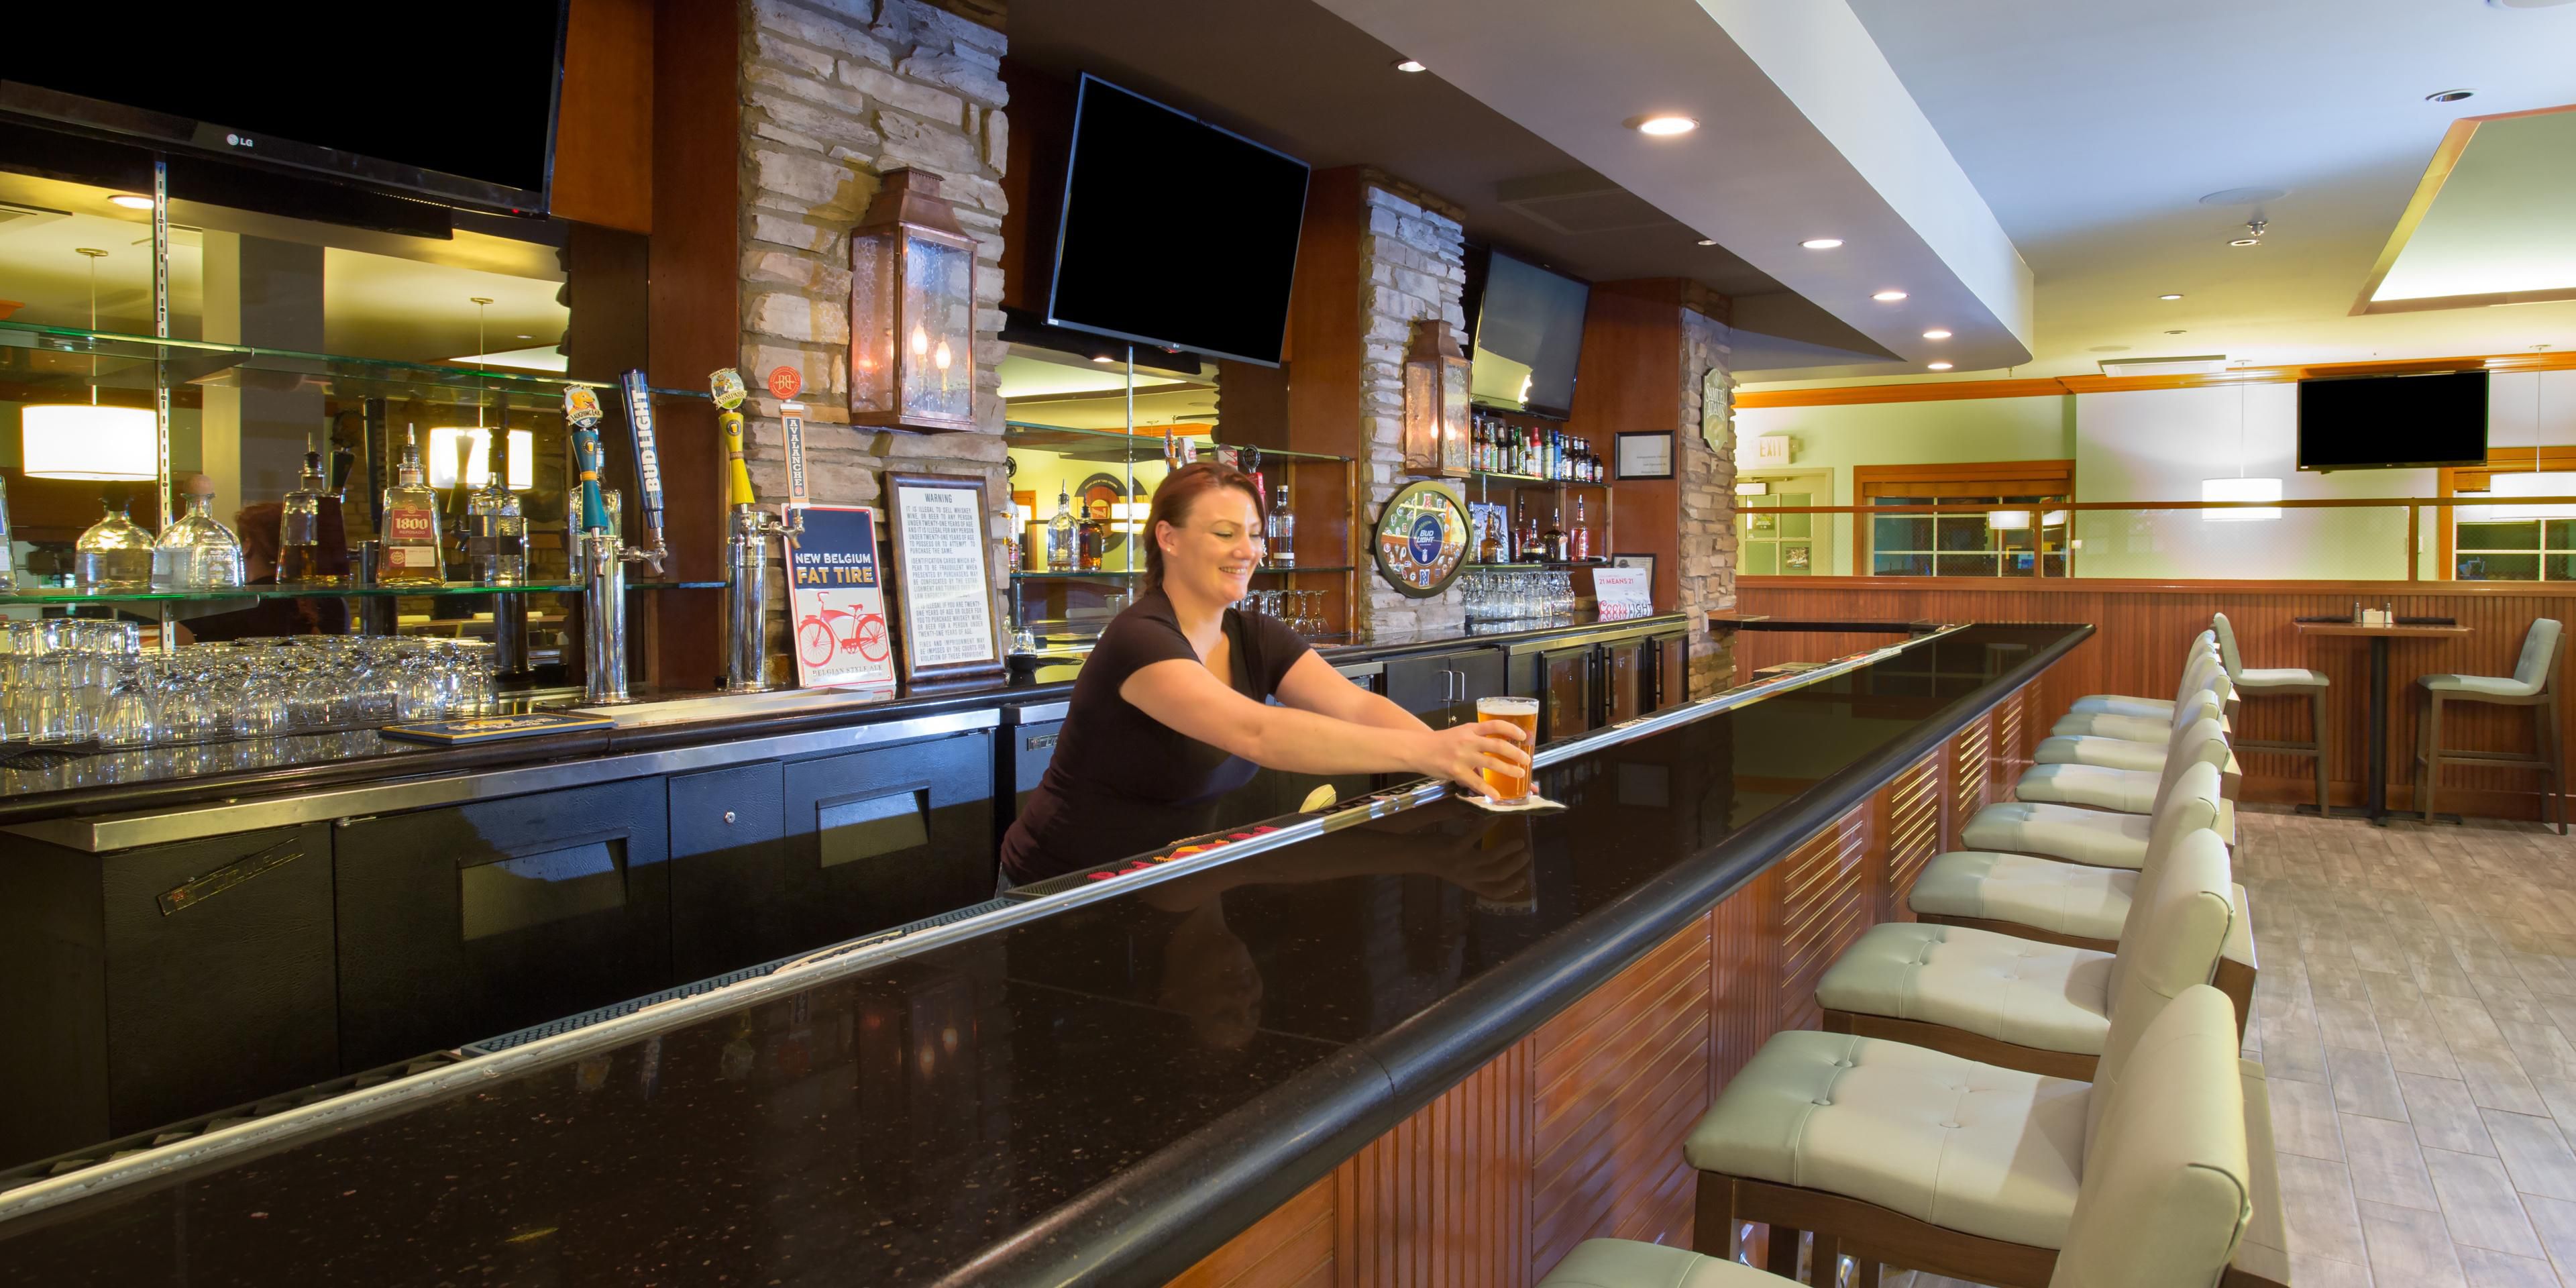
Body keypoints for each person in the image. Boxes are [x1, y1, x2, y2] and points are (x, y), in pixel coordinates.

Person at [998, 461, 1529, 888]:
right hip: (1062, 887)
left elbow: (1356, 706)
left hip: (1170, 879)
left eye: (1254, 534)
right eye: (1224, 533)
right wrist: (1432, 753)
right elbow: (1257, 732)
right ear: (1169, 538)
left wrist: (1461, 763)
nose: (1248, 550)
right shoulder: (1139, 640)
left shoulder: (1255, 635)